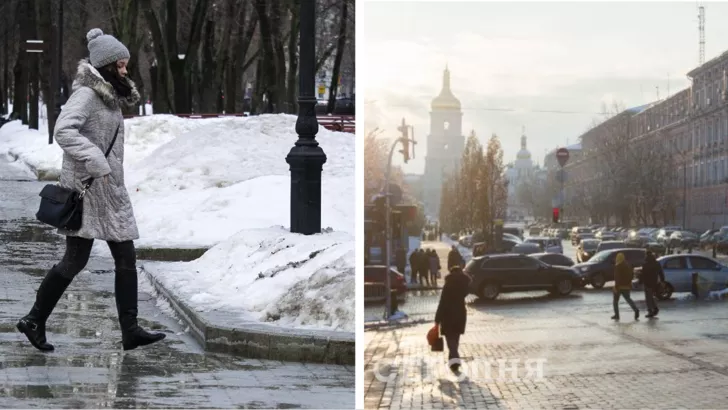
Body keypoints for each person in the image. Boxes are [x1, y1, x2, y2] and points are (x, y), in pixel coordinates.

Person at [16, 29, 165, 352]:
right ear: (108, 65)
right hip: (88, 190)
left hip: (108, 192)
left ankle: (130, 329)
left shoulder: (107, 94)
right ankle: (34, 320)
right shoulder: (86, 95)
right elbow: (63, 130)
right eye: (122, 66)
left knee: (124, 257)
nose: (126, 71)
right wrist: (96, 159)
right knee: (75, 261)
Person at [434, 266, 472, 373]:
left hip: (448, 314)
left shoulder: (448, 285)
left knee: (450, 341)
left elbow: (442, 302)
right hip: (460, 314)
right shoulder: (465, 285)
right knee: (455, 340)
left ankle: (455, 359)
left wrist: (437, 318)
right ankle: (453, 363)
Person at [612, 252, 639, 321]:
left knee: (615, 301)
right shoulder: (627, 265)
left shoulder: (618, 266)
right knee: (628, 299)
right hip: (627, 286)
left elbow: (617, 278)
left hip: (619, 286)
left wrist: (616, 286)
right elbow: (631, 275)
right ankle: (636, 310)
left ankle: (617, 315)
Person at [640, 251, 664, 318]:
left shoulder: (645, 264)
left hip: (647, 283)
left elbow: (643, 275)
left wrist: (640, 282)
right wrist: (662, 280)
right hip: (654, 282)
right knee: (650, 296)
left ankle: (650, 311)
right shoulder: (656, 263)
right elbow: (661, 272)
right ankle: (655, 308)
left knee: (648, 297)